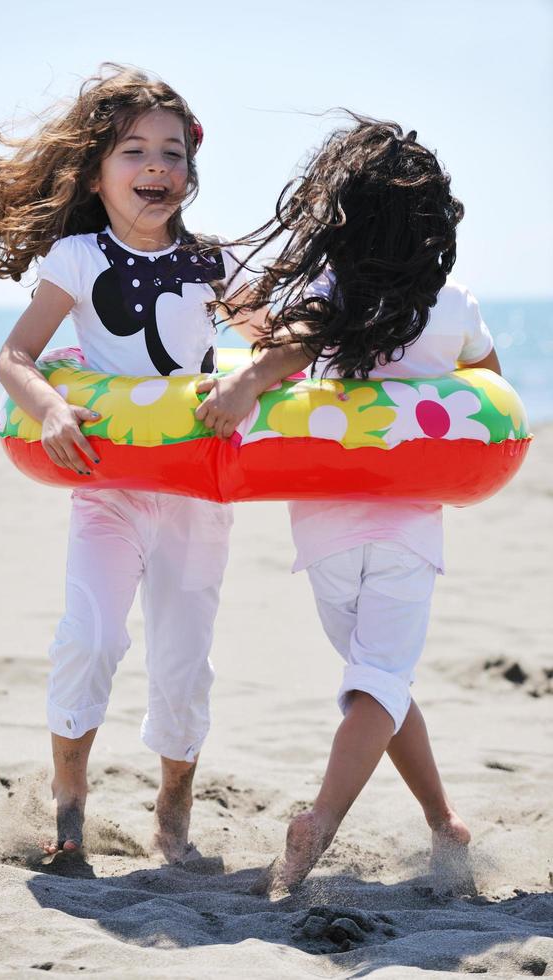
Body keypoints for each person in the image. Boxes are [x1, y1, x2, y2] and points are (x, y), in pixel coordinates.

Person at [0, 64, 248, 864]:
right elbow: (14, 355)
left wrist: (252, 378)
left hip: (194, 494)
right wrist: (48, 408)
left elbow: (284, 335)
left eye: (174, 153)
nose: (158, 168)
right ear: (97, 172)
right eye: (135, 151)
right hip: (108, 488)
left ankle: (172, 810)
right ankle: (69, 808)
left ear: (191, 169)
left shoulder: (215, 262)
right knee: (91, 637)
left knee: (184, 661)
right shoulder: (78, 256)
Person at [195, 117, 500, 893]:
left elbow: (286, 345)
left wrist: (242, 380)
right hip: (404, 526)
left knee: (378, 680)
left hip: (323, 530)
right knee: (378, 681)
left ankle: (442, 821)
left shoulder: (324, 296)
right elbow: (490, 392)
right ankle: (318, 823)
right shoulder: (451, 302)